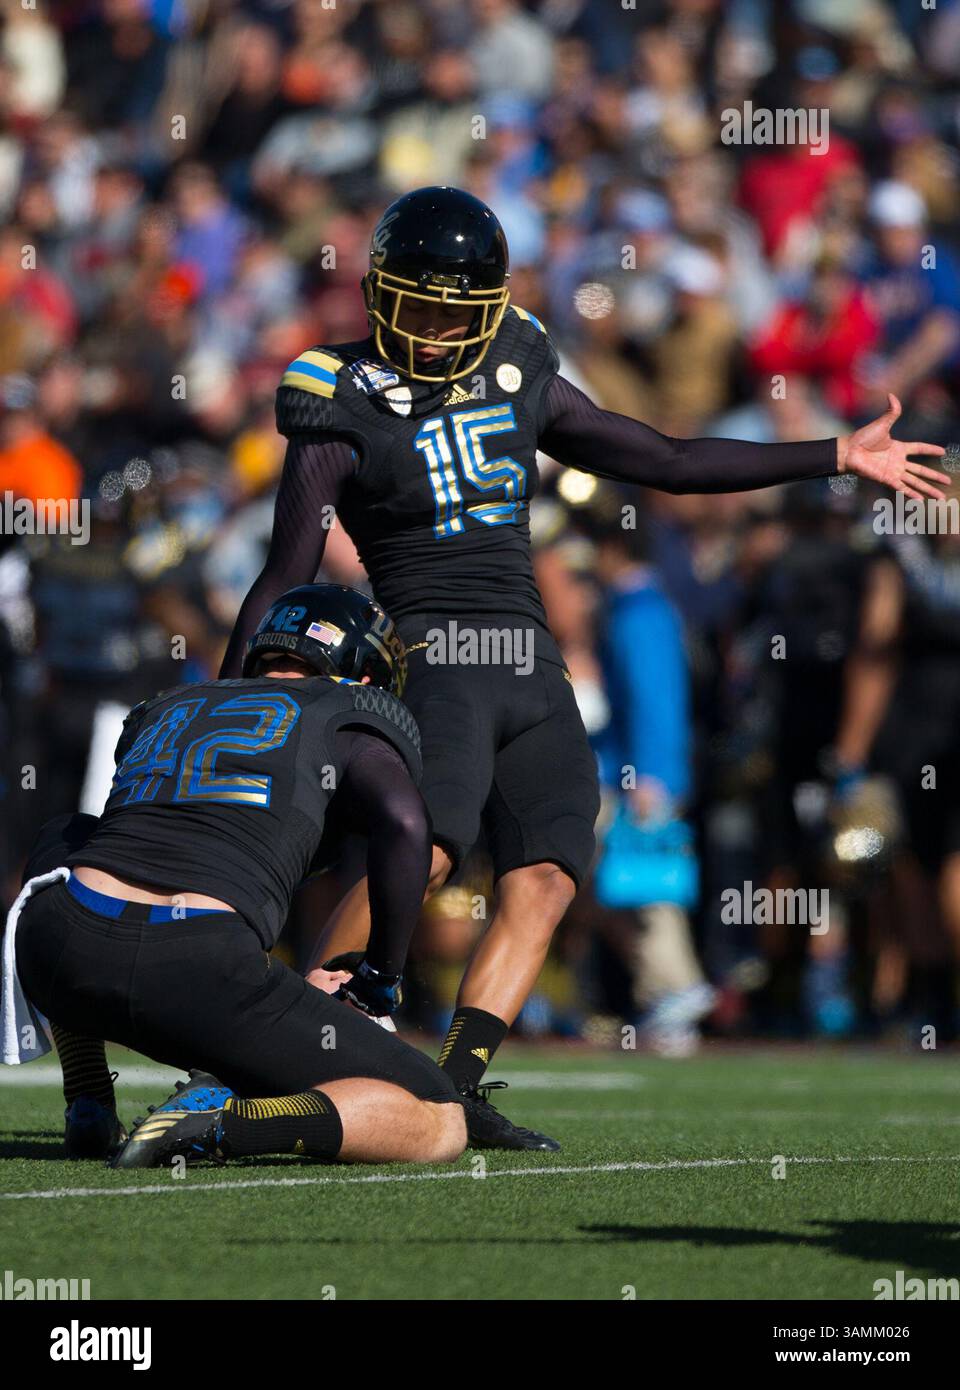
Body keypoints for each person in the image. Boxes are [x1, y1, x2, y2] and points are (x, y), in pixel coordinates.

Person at [218, 185, 950, 1150]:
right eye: (418, 302)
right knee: (424, 849)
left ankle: (455, 1091)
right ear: (378, 291)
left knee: (552, 873)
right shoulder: (337, 394)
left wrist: (832, 455)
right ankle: (289, 1049)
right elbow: (286, 570)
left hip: (531, 661)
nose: (434, 329)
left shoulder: (516, 360)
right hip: (433, 653)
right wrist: (228, 700)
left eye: (453, 308)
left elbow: (666, 457)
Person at [11, 584, 472, 1170]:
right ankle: (224, 1124)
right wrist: (380, 975)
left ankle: (87, 1091)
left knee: (67, 832)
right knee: (436, 1116)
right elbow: (406, 826)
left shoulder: (166, 705)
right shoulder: (349, 711)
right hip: (193, 968)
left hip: (60, 947)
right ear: (364, 675)